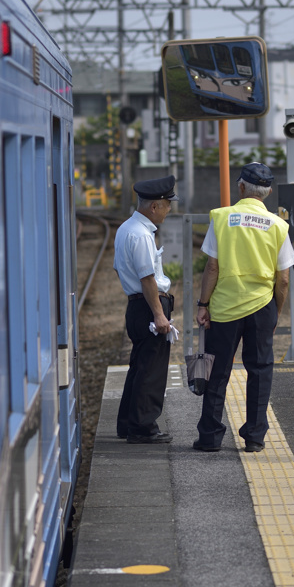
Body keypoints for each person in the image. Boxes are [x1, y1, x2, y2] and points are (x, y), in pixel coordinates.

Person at [194, 162, 294, 453]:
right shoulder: (279, 225)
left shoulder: (222, 218)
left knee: (218, 372)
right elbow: (284, 279)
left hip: (225, 307)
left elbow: (212, 267)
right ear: (267, 192)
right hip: (262, 307)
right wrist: (275, 311)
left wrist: (203, 304)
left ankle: (210, 437)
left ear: (241, 187)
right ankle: (254, 437)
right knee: (260, 370)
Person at [114, 175, 178, 444]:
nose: (170, 209)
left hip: (138, 306)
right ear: (154, 206)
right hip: (147, 306)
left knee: (139, 366)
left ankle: (128, 423)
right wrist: (159, 315)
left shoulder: (127, 228)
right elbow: (147, 278)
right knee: (151, 369)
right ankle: (142, 427)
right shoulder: (141, 235)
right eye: (167, 204)